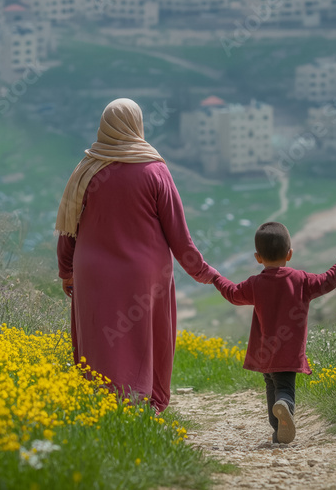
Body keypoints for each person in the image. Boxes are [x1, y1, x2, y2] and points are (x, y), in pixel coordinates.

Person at [56, 98, 220, 412]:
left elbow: (68, 228)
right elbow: (179, 236)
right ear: (137, 124)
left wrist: (66, 270)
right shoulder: (155, 170)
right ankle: (145, 401)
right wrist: (203, 272)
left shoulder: (86, 170)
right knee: (146, 338)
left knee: (100, 338)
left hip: (93, 274)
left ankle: (101, 403)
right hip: (145, 276)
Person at [213, 221, 336, 443]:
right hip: (288, 353)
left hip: (265, 353)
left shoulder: (255, 283)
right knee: (285, 390)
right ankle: (285, 407)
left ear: (258, 257)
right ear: (289, 254)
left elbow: (232, 293)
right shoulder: (302, 280)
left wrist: (215, 277)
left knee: (271, 385)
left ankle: (278, 430)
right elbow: (329, 280)